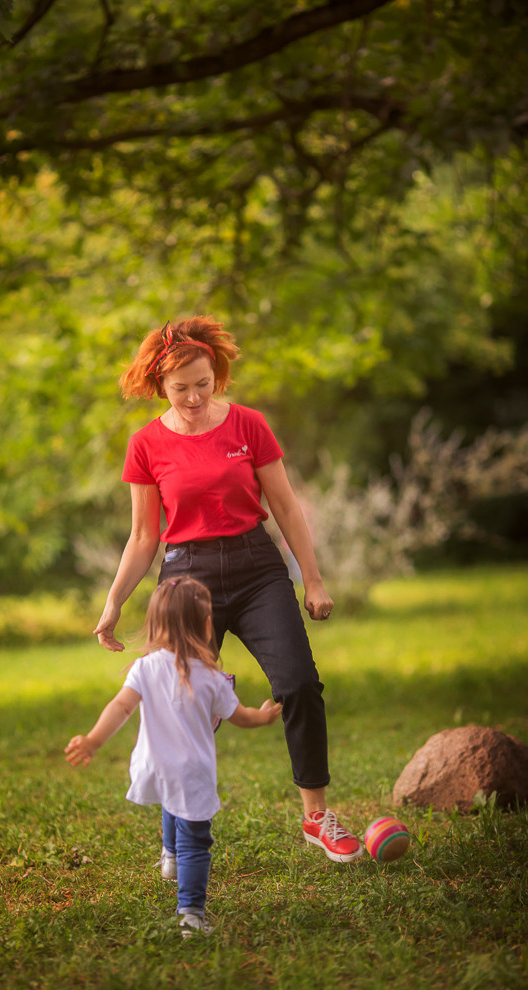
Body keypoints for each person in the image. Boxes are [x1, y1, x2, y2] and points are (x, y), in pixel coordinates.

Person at [94, 316, 363, 863]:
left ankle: (316, 817)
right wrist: (113, 602)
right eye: (181, 388)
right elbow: (144, 536)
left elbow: (285, 506)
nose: (194, 397)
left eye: (204, 383)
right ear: (160, 385)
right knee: (181, 705)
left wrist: (313, 579)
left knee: (299, 683)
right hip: (186, 579)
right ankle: (177, 833)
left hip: (257, 566)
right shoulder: (146, 444)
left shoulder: (248, 425)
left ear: (216, 374)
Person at [66, 575, 281, 936]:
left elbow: (120, 707)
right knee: (196, 841)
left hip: (154, 763)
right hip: (191, 770)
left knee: (171, 798)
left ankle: (169, 855)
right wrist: (263, 717)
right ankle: (191, 914)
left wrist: (92, 740)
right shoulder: (211, 677)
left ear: (156, 624)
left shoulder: (145, 667)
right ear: (207, 626)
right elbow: (241, 717)